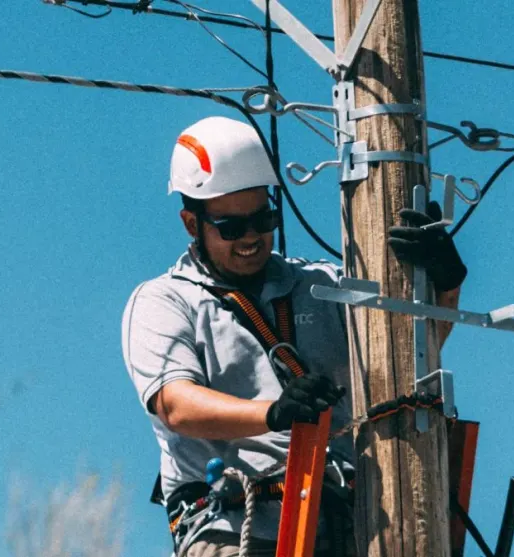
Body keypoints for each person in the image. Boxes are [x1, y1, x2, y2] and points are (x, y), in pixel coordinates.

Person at [121, 116, 468, 557]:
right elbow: (175, 404)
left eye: (263, 219)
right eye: (231, 227)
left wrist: (446, 284)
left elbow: (408, 355)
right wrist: (273, 413)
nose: (251, 237)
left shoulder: (322, 285)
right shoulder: (165, 301)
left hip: (349, 527)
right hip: (237, 530)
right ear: (192, 223)